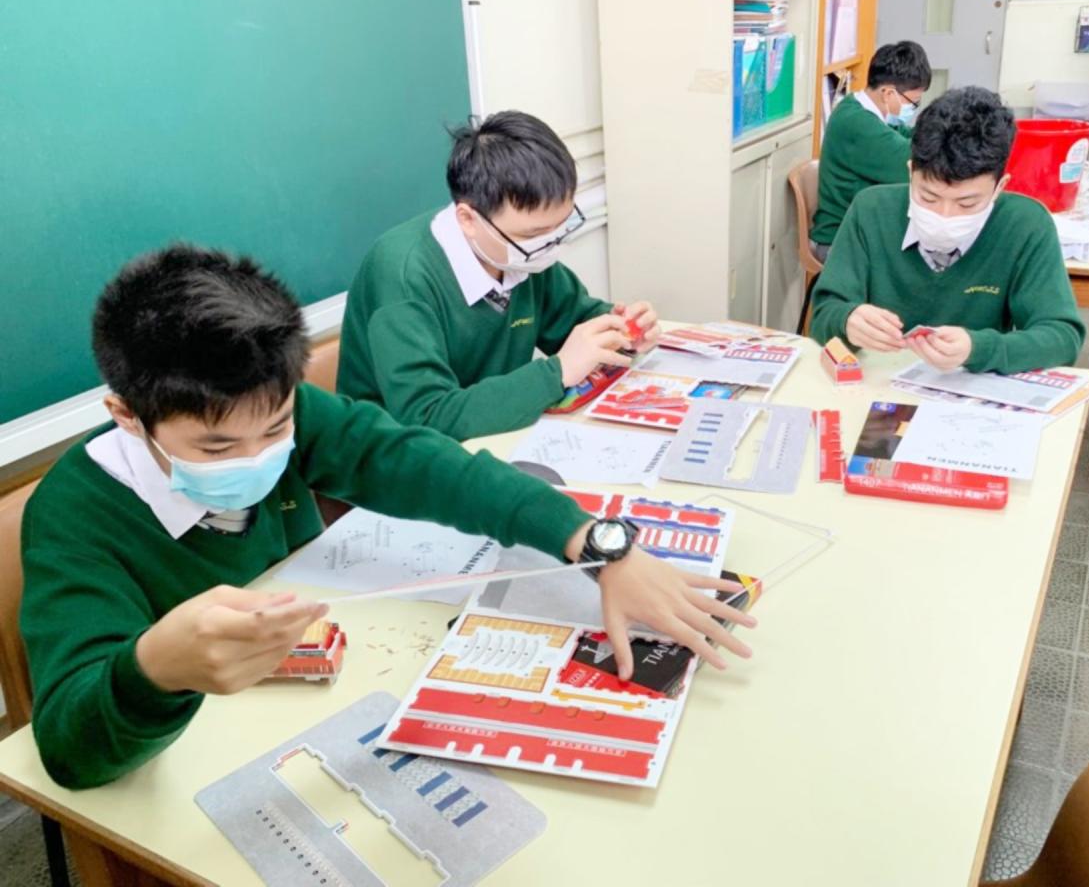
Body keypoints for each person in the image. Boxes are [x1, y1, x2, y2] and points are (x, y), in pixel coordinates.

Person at [20, 246, 754, 789]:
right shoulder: (75, 515)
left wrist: (593, 541)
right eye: (216, 447)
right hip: (202, 758)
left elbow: (421, 463)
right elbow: (69, 751)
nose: (256, 455)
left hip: (321, 700)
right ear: (126, 414)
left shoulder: (284, 406)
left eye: (275, 430)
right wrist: (153, 671)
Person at [338, 110, 660, 441]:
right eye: (535, 234)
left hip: (488, 434)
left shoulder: (519, 251)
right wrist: (558, 372)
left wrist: (622, 330)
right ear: (468, 219)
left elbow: (572, 320)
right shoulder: (403, 276)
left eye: (559, 228)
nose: (549, 246)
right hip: (393, 451)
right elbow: (427, 416)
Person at [809, 86, 1084, 374]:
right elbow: (825, 314)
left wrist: (978, 348)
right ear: (910, 172)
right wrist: (847, 321)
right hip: (876, 383)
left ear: (999, 187)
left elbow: (1062, 338)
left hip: (973, 389)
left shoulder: (1025, 224)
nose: (944, 216)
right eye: (928, 197)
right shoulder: (871, 210)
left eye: (967, 203)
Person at [808, 41, 933, 260]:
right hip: (839, 240)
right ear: (888, 93)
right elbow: (913, 163)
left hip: (862, 230)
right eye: (913, 102)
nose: (913, 109)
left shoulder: (864, 110)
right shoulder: (857, 123)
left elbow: (908, 136)